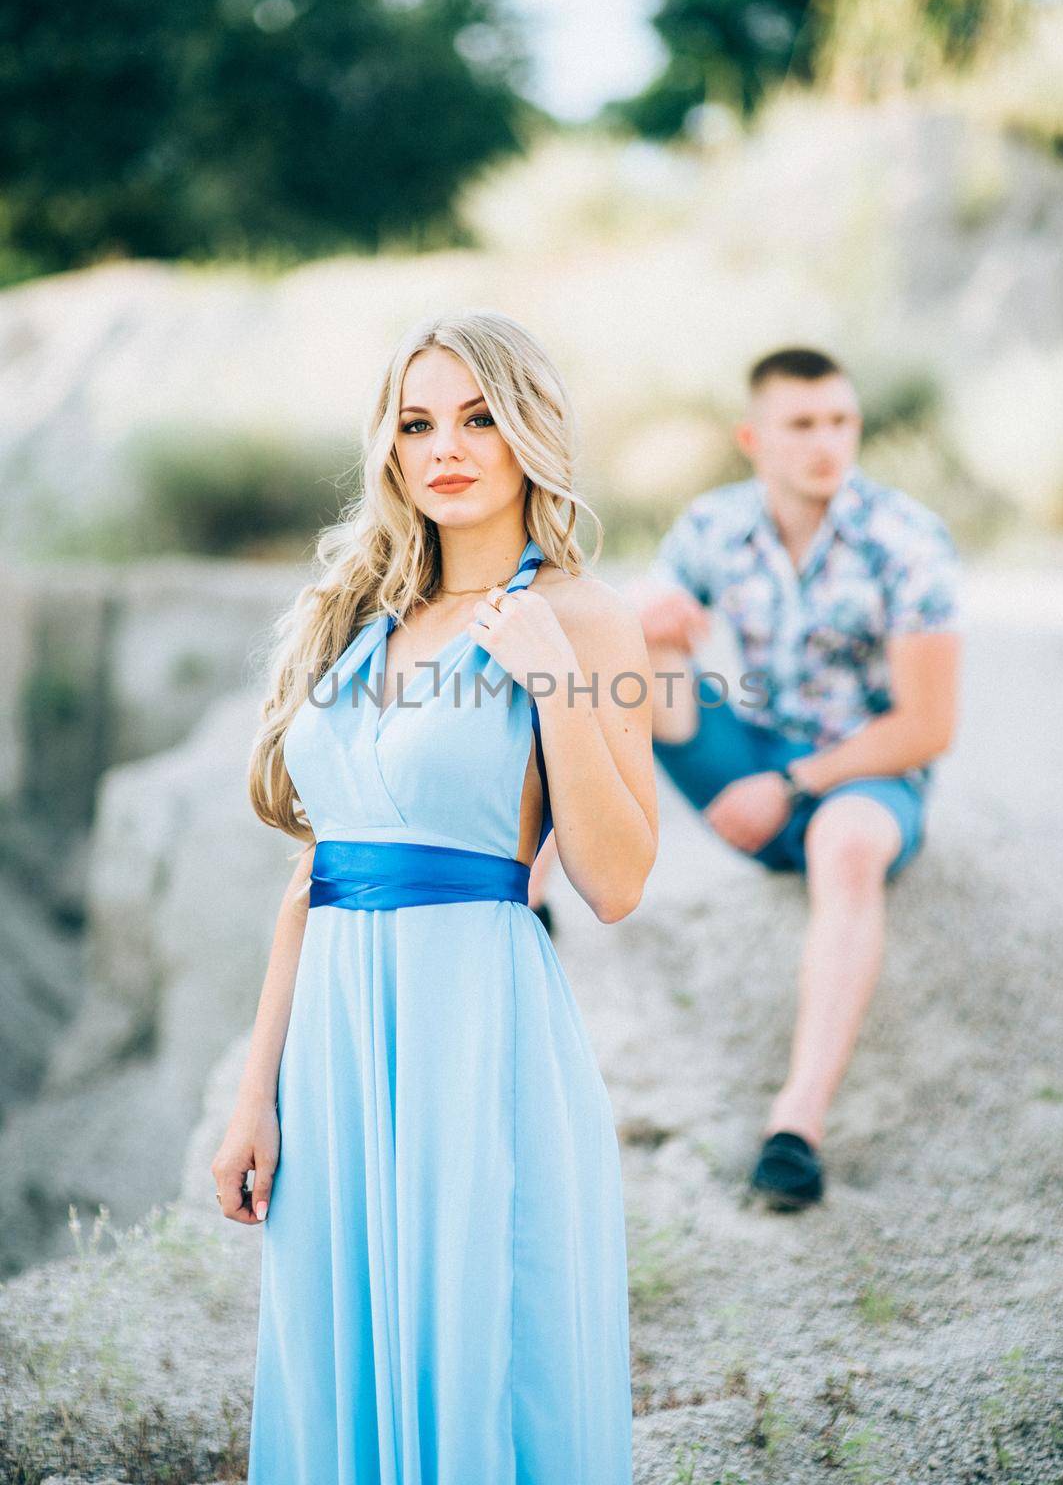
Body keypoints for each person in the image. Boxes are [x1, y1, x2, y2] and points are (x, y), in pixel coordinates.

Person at [210, 309, 656, 1483]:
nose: (446, 445)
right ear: (390, 449)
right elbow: (316, 873)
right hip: (338, 1050)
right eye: (418, 422)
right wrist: (257, 1094)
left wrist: (558, 682)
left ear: (528, 436)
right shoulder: (354, 617)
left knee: (480, 1357)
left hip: (475, 1035)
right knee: (339, 1367)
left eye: (477, 417)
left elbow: (617, 881)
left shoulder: (588, 616)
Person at [530, 345, 962, 1210]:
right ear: (754, 438)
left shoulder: (906, 540)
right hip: (752, 753)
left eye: (840, 422)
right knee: (632, 650)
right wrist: (647, 614)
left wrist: (792, 786)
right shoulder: (717, 525)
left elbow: (927, 726)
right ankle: (531, 887)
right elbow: (619, 620)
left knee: (844, 846)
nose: (826, 443)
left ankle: (795, 1128)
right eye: (801, 425)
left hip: (864, 781)